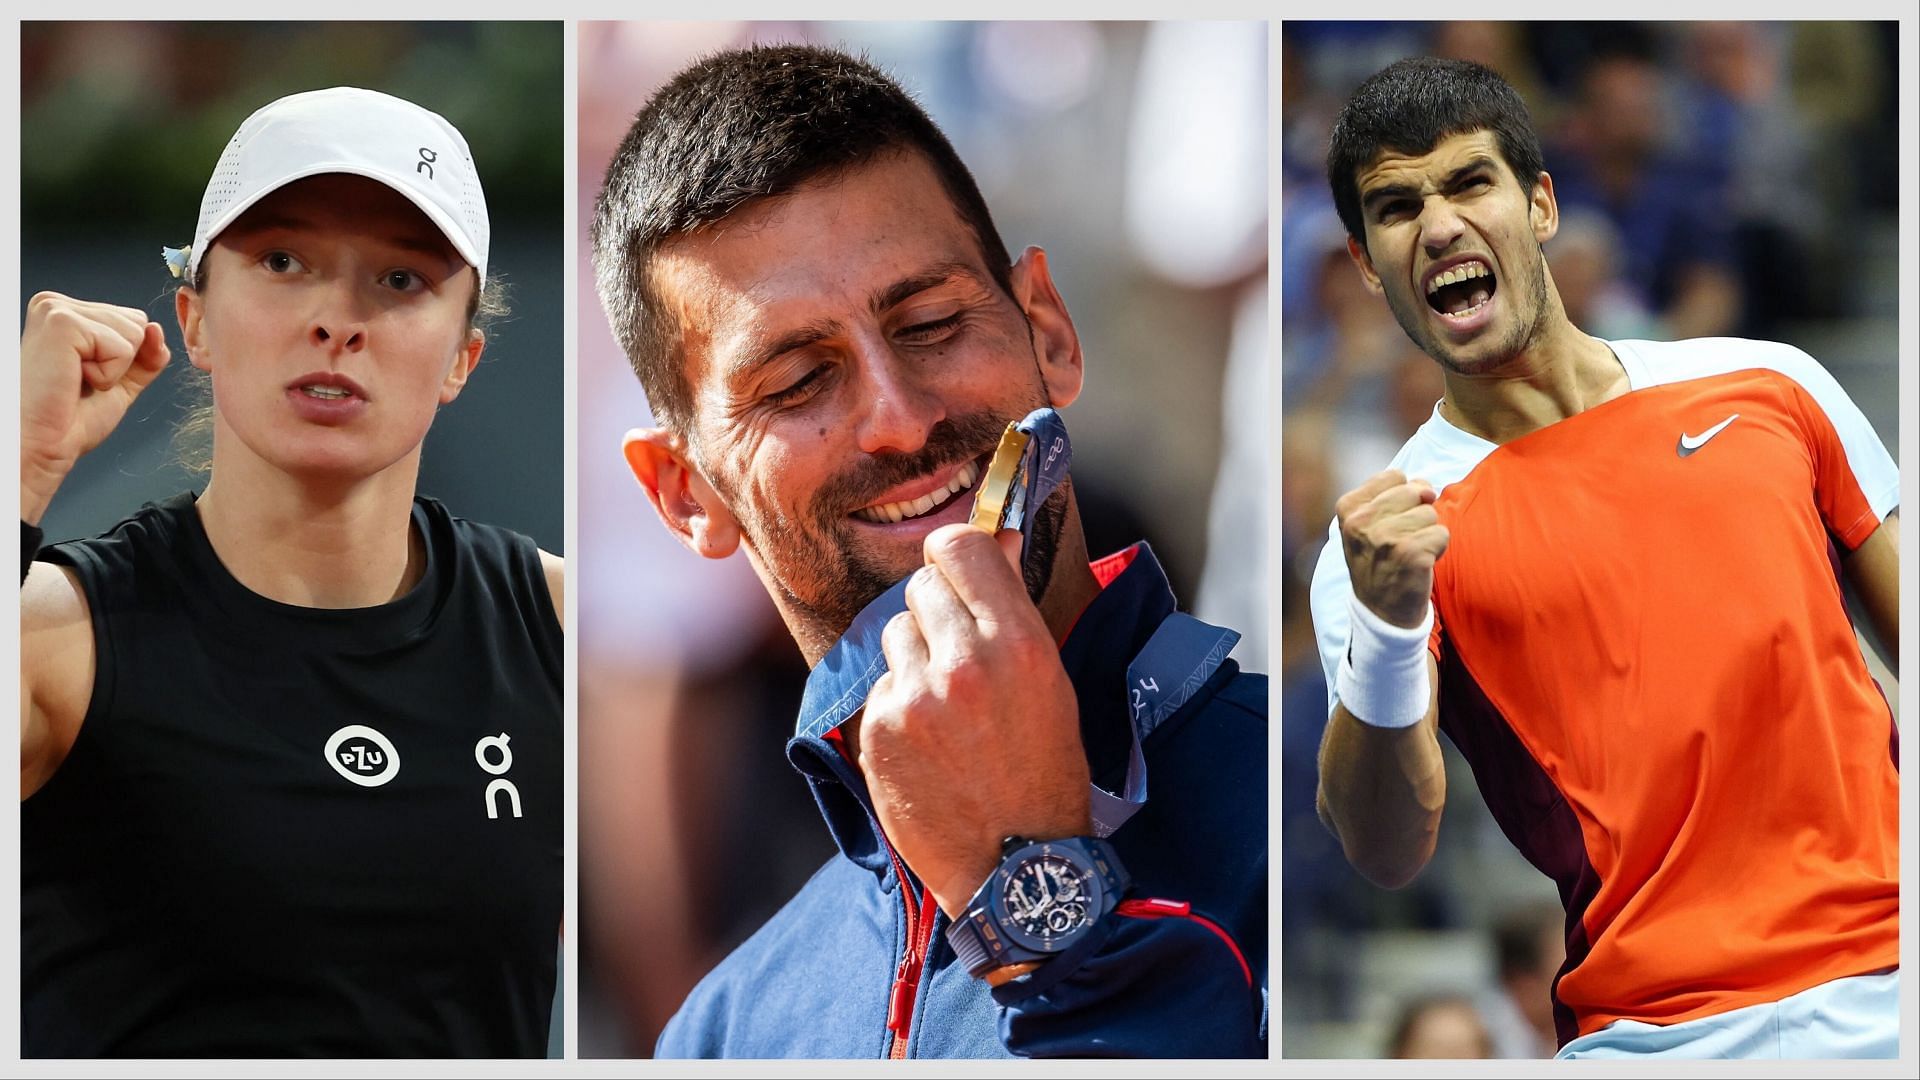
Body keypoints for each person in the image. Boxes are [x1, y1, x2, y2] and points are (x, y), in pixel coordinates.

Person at [591, 44, 1266, 1058]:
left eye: (933, 322)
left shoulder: (1315, 819)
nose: (900, 420)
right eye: (796, 383)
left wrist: (1032, 886)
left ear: (1050, 331)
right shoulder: (724, 1033)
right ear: (685, 494)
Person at [1309, 57, 1898, 1059]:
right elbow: (1385, 847)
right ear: (1370, 265)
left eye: (1468, 183)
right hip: (1661, 1038)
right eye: (1396, 207)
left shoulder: (1770, 382)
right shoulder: (1382, 545)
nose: (1439, 225)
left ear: (1539, 205)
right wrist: (1388, 625)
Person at [20, 87, 564, 1057]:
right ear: (193, 318)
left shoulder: (559, 626)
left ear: (463, 359)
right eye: (282, 261)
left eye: (401, 280)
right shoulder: (59, 634)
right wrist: (19, 470)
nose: (337, 320)